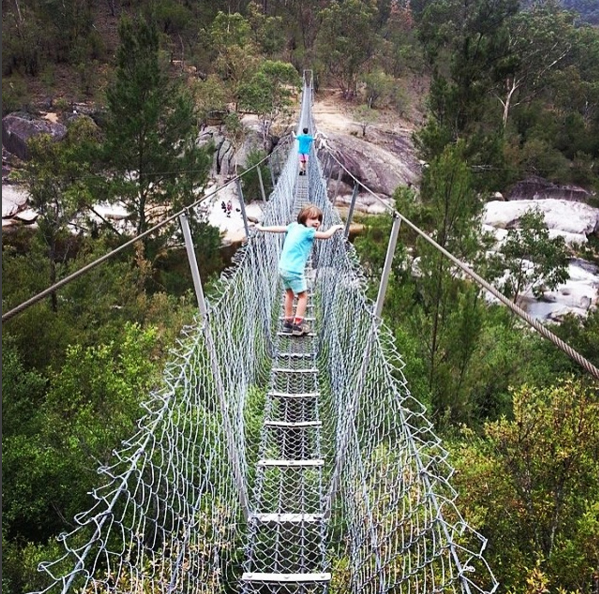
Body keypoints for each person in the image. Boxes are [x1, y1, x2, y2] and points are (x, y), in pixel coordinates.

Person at [256, 204, 344, 336]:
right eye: (313, 219)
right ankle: (298, 325)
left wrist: (262, 228)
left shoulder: (293, 226)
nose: (316, 222)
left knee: (290, 294)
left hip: (283, 268)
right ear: (304, 219)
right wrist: (335, 227)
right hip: (294, 271)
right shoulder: (308, 232)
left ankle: (287, 322)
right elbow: (326, 235)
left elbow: (279, 228)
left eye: (319, 219)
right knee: (303, 296)